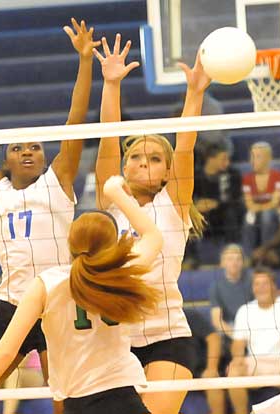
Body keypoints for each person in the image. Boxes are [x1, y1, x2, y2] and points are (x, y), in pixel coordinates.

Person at [0, 17, 100, 414]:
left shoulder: (59, 181)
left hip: (58, 305)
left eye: (34, 146)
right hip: (13, 305)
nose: (28, 151)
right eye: (17, 148)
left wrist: (85, 62)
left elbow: (75, 123)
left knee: (67, 400)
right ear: (5, 160)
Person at [0, 175, 164, 414]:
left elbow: (4, 351)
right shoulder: (122, 273)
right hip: (125, 400)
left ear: (70, 243)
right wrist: (116, 192)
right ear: (113, 246)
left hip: (78, 405)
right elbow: (153, 236)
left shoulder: (47, 283)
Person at [93, 34, 211, 414]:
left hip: (169, 338)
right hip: (114, 340)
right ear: (124, 167)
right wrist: (111, 84)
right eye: (136, 156)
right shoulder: (110, 202)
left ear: (166, 173)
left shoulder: (172, 205)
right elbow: (107, 140)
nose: (145, 162)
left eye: (156, 158)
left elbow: (186, 146)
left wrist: (194, 95)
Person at [228, 267, 280, 414]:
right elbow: (238, 343)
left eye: (265, 283)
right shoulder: (245, 310)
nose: (261, 288)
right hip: (254, 363)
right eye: (257, 284)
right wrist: (237, 358)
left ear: (273, 286)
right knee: (234, 370)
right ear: (252, 288)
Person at [194, 141, 244, 243]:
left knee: (230, 213)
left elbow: (235, 199)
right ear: (211, 159)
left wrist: (215, 204)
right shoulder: (195, 176)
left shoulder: (232, 174)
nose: (228, 162)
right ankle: (191, 256)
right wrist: (195, 206)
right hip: (202, 214)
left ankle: (232, 248)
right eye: (224, 159)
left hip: (224, 213)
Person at [242, 141, 280, 256]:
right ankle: (248, 256)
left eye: (257, 156)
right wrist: (264, 206)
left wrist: (259, 207)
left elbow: (275, 203)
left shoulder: (278, 176)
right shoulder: (247, 179)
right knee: (248, 220)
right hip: (256, 213)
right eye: (251, 156)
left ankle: (266, 252)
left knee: (267, 215)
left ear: (268, 158)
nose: (252, 161)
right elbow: (249, 205)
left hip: (278, 213)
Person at [184, 308, 225, 414]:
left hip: (199, 369)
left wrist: (211, 368)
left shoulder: (189, 315)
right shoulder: (150, 321)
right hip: (174, 371)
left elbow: (214, 338)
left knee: (212, 382)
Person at [210, 244, 253, 341]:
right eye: (230, 259)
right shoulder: (216, 287)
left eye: (238, 259)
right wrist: (237, 336)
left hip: (252, 326)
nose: (234, 262)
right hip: (230, 328)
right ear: (222, 263)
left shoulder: (252, 282)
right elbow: (217, 321)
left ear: (243, 262)